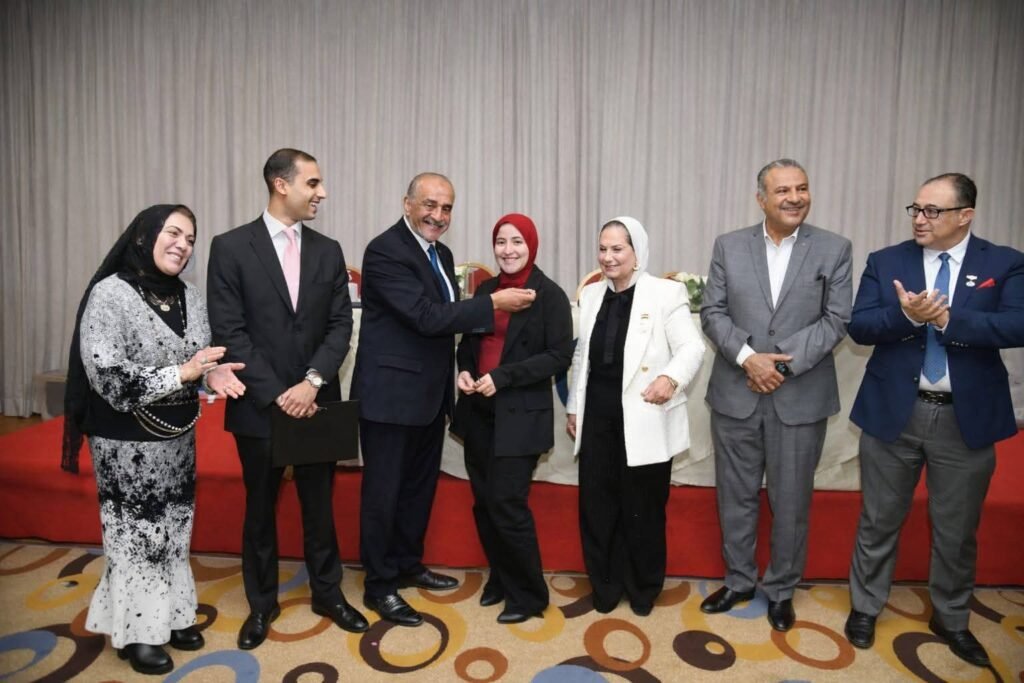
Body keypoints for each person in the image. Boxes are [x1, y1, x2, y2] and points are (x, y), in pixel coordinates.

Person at [843, 173, 1024, 667]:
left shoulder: (1004, 263)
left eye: (932, 211)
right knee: (879, 519)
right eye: (916, 209)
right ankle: (865, 607)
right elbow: (860, 325)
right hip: (893, 412)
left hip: (965, 419)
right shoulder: (887, 261)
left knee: (956, 529)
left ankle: (952, 618)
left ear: (965, 216)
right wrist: (908, 317)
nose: (919, 219)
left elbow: (1016, 324)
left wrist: (946, 320)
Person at [61, 204, 246, 676]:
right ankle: (137, 633)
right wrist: (183, 373)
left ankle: (172, 616)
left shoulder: (189, 295)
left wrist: (210, 375)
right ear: (144, 236)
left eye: (190, 238)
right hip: (125, 443)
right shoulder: (110, 293)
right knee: (136, 536)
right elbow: (108, 377)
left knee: (174, 531)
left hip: (177, 437)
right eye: (174, 233)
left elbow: (199, 362)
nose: (183, 245)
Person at [352, 173, 536, 627]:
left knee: (417, 490)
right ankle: (380, 585)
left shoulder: (441, 253)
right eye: (430, 205)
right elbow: (426, 316)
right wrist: (493, 304)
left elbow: (448, 321)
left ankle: (406, 564)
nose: (438, 216)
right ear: (407, 204)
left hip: (430, 397)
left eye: (447, 208)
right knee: (383, 495)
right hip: (390, 398)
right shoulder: (385, 251)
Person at [207, 148, 368, 649]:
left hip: (316, 401)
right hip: (260, 405)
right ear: (281, 184)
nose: (322, 193)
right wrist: (279, 393)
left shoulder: (328, 250)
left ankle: (328, 594)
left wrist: (312, 381)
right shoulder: (230, 247)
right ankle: (262, 605)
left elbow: (341, 325)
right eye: (312, 183)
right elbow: (230, 331)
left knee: (320, 505)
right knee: (260, 509)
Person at [700, 159, 852, 631]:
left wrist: (777, 363)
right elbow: (712, 312)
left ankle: (782, 589)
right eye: (783, 190)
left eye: (801, 188)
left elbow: (837, 319)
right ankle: (739, 580)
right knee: (736, 496)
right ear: (761, 198)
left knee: (791, 501)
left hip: (799, 394)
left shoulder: (834, 248)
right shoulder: (729, 245)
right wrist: (749, 358)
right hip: (736, 392)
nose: (794, 197)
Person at [565, 216, 705, 616]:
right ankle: (605, 586)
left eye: (617, 249)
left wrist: (670, 378)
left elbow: (692, 348)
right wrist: (574, 405)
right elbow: (582, 356)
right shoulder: (592, 294)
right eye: (603, 249)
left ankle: (643, 588)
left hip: (646, 415)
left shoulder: (665, 293)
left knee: (642, 509)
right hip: (598, 417)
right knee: (597, 507)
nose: (608, 257)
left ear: (636, 252)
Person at [450, 213, 573, 624]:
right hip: (478, 413)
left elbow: (558, 357)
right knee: (485, 504)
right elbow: (468, 344)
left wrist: (502, 377)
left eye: (517, 241)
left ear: (531, 245)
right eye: (501, 241)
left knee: (507, 504)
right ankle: (501, 579)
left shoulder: (550, 295)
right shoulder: (486, 291)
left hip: (520, 417)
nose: (508, 250)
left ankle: (530, 595)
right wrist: (465, 370)